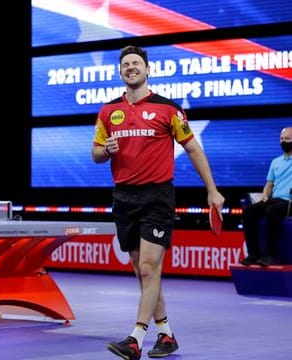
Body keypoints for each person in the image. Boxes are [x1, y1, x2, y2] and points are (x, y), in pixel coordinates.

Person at [91, 45, 225, 360]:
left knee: (150, 267)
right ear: (120, 72)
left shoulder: (168, 110)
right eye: (125, 64)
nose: (131, 68)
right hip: (124, 197)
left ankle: (136, 338)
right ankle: (165, 334)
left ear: (148, 70)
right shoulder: (109, 111)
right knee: (142, 270)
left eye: (136, 63)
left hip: (157, 196)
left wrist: (212, 190)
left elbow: (193, 149)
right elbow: (95, 154)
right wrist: (105, 150)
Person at [239, 127, 292, 267]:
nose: (284, 142)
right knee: (249, 212)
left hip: (289, 201)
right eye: (282, 139)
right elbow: (269, 184)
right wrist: (265, 196)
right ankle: (254, 254)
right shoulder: (276, 162)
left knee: (272, 211)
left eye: (287, 139)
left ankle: (270, 255)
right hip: (275, 199)